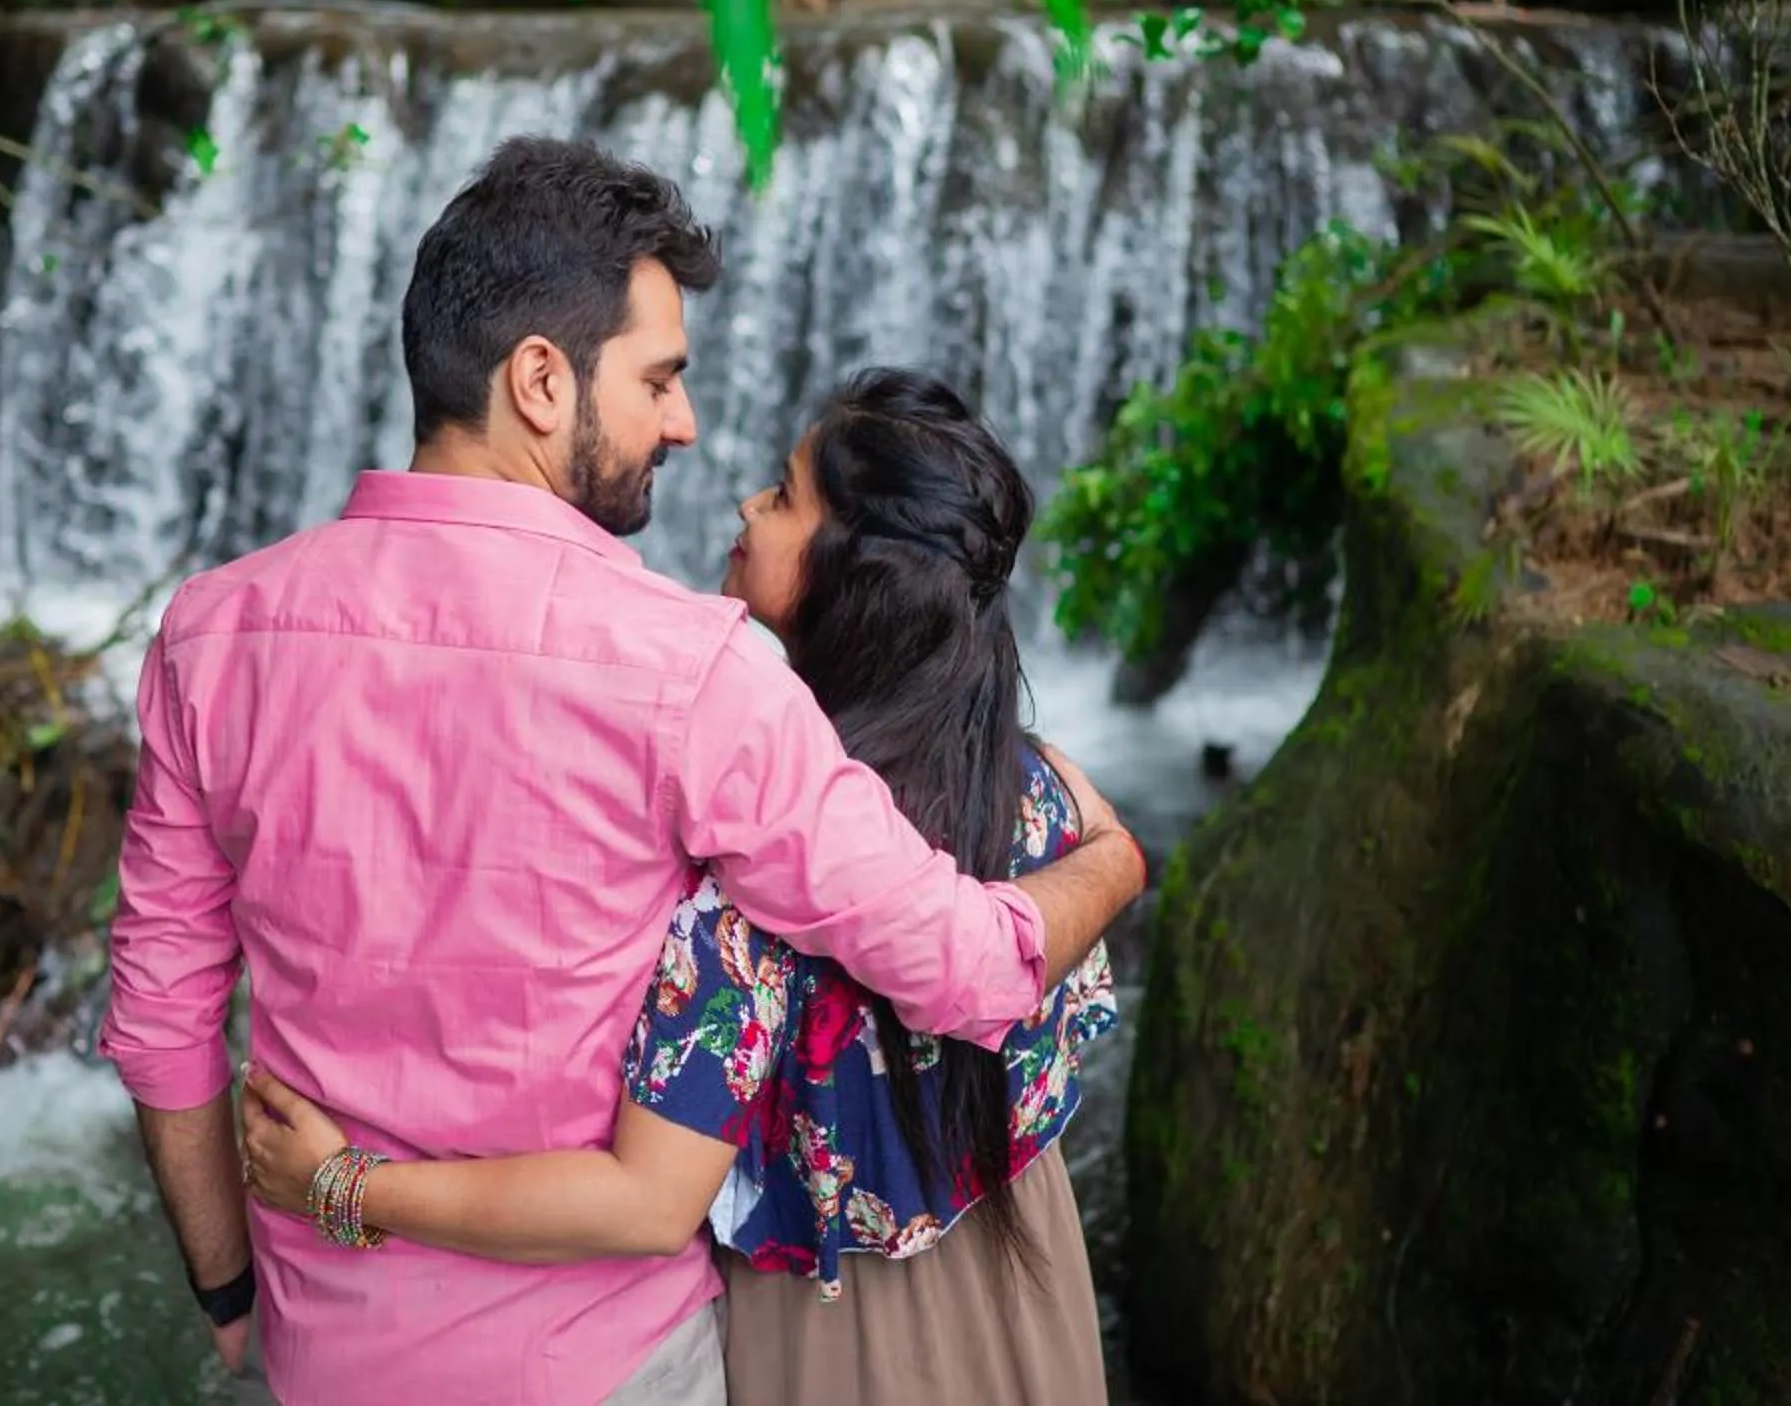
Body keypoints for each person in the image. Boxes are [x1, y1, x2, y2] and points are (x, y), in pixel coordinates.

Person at [99, 139, 1148, 1406]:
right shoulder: (693, 671)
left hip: (330, 1355)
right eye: (660, 378)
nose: (685, 423)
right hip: (609, 1366)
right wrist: (1116, 859)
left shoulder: (212, 632)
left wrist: (228, 1292)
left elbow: (163, 1024)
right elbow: (968, 966)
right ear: (540, 380)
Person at [239, 369, 1128, 1405]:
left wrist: (341, 1187)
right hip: (1028, 1291)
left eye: (787, 495)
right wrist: (1119, 855)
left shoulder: (760, 895)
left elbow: (641, 1202)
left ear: (861, 574)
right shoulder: (1037, 792)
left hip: (838, 1339)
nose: (749, 503)